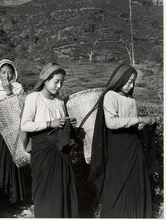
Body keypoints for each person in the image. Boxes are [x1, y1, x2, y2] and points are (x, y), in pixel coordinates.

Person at [89, 63, 155, 218]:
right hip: (118, 147)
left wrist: (144, 124)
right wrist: (139, 119)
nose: (130, 85)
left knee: (135, 179)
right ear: (120, 79)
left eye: (133, 82)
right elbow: (111, 122)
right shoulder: (110, 96)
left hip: (133, 145)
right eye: (128, 81)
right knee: (119, 181)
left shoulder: (130, 98)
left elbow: (132, 124)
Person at [21, 62, 79, 218]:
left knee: (62, 185)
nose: (59, 86)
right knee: (45, 188)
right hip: (43, 150)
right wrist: (50, 123)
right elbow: (25, 125)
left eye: (62, 82)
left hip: (61, 150)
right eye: (56, 81)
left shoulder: (60, 101)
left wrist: (68, 123)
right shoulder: (34, 98)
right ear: (45, 80)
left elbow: (60, 124)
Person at [0, 59, 25, 204]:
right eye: (3, 72)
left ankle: (16, 197)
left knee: (13, 157)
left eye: (10, 72)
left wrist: (9, 91)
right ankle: (1, 197)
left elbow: (19, 107)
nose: (7, 76)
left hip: (12, 126)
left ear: (14, 74)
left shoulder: (17, 87)